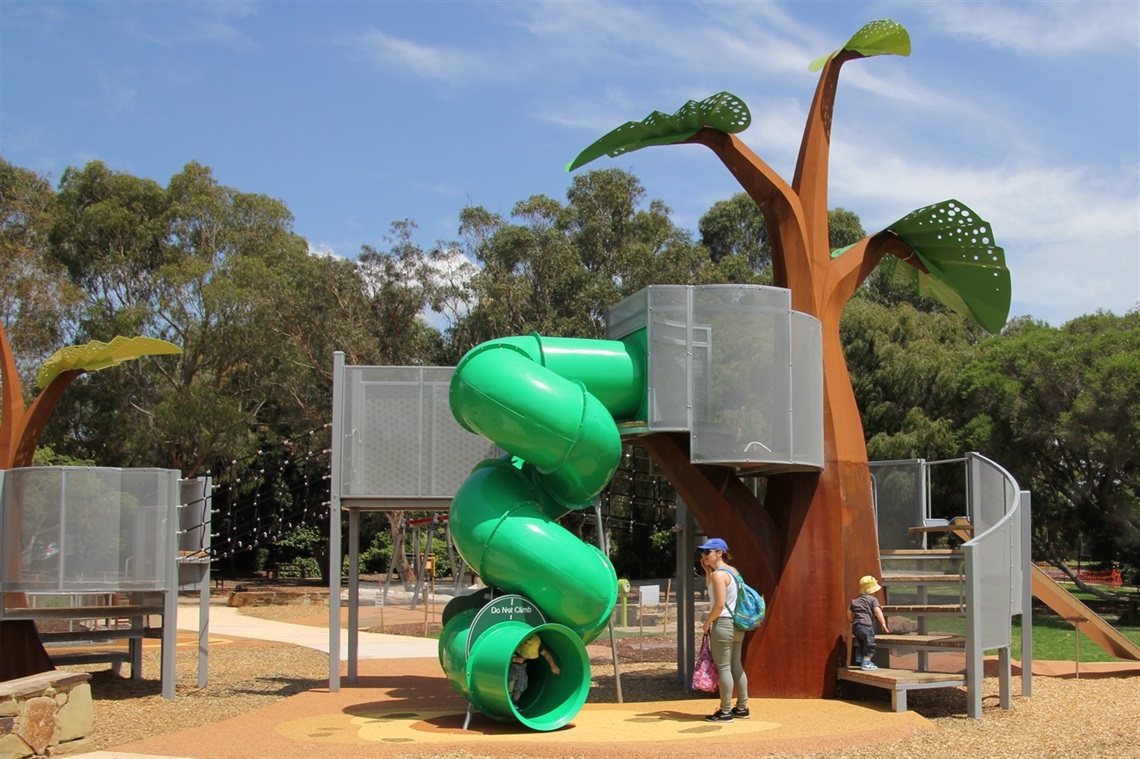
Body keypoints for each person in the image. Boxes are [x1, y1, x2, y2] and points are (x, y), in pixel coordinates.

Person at [698, 537, 749, 722]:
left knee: (724, 668)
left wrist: (707, 623)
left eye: (707, 552)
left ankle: (725, 711)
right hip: (737, 625)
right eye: (702, 552)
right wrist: (707, 572)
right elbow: (718, 594)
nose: (703, 556)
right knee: (736, 666)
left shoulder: (718, 575)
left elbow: (718, 605)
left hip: (723, 624)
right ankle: (742, 707)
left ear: (719, 553)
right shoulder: (732, 572)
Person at [848, 575, 888, 670]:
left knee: (862, 642)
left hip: (856, 626)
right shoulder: (873, 599)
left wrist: (850, 621)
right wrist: (883, 623)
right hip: (866, 625)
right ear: (872, 590)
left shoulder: (855, 601)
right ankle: (866, 663)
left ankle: (860, 657)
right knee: (869, 643)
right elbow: (877, 611)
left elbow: (849, 611)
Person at [508, 633, 560, 701]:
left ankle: (514, 701)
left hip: (522, 667)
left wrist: (553, 665)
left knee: (522, 682)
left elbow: (546, 653)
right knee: (513, 675)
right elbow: (500, 657)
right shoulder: (514, 644)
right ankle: (509, 695)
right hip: (509, 665)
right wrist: (514, 659)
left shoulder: (536, 647)